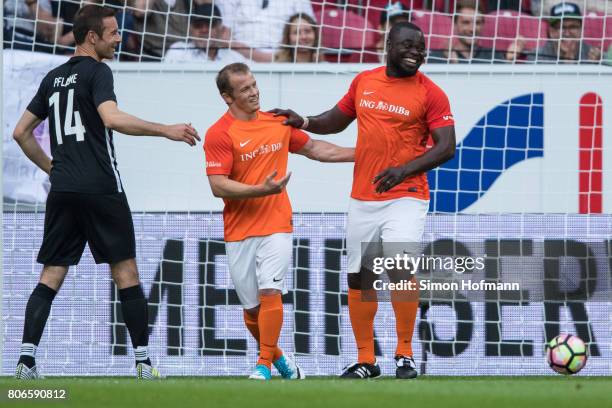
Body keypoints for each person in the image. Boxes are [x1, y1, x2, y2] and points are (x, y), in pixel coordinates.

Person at [12, 4, 199, 380]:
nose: (118, 38)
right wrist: (165, 129)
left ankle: (25, 363)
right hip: (100, 187)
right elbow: (111, 118)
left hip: (63, 189)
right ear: (92, 37)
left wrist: (54, 168)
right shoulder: (98, 71)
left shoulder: (53, 77)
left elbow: (20, 132)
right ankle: (144, 364)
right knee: (125, 272)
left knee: (52, 273)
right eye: (113, 33)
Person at [271, 22, 456, 379]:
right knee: (360, 278)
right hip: (364, 196)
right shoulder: (364, 81)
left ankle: (405, 355)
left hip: (407, 194)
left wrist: (403, 170)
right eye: (407, 46)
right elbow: (336, 121)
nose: (415, 52)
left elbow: (446, 146)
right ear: (388, 45)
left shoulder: (431, 93)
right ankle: (366, 360)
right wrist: (304, 120)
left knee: (399, 265)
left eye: (420, 47)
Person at [204, 62, 354, 380]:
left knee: (270, 291)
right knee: (251, 309)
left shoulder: (277, 123)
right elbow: (218, 185)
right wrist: (261, 189)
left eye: (255, 85)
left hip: (276, 224)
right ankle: (281, 359)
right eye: (245, 89)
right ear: (227, 97)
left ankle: (263, 365)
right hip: (238, 230)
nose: (254, 92)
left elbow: (316, 149)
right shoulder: (219, 133)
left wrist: (362, 153)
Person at [215, 0, 315, 62]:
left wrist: (278, 59)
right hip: (237, 60)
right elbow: (224, 39)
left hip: (283, 63)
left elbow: (310, 31)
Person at [511, 2, 602, 62]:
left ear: (581, 30)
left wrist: (600, 63)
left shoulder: (592, 55)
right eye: (560, 27)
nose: (566, 33)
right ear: (551, 32)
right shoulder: (537, 56)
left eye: (573, 27)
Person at [428, 0, 507, 63]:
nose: (472, 29)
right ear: (455, 25)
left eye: (478, 23)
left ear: (483, 25)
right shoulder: (437, 58)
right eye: (466, 22)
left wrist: (509, 59)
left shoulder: (494, 57)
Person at [164, 3, 245, 63]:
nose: (204, 30)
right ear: (190, 29)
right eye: (198, 25)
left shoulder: (233, 57)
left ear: (220, 28)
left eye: (210, 25)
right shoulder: (178, 51)